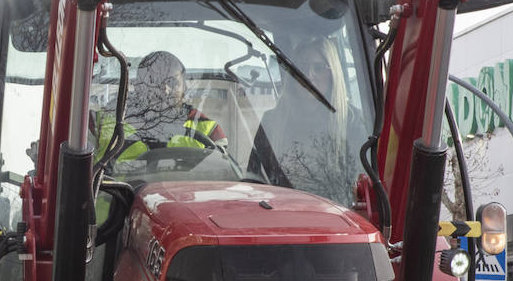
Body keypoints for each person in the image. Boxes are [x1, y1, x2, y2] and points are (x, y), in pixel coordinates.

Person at [251, 35, 362, 206]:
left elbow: (362, 189)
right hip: (281, 214)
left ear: (333, 73)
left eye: (318, 68)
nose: (308, 76)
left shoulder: (353, 123)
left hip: (338, 218)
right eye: (301, 67)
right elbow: (253, 180)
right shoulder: (272, 122)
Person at [95, 50, 228, 164]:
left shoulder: (209, 130)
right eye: (154, 82)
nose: (164, 90)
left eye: (172, 82)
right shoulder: (97, 125)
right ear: (137, 86)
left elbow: (223, 176)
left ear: (184, 88)